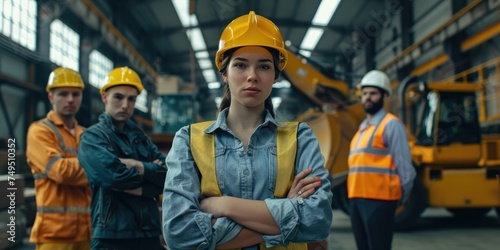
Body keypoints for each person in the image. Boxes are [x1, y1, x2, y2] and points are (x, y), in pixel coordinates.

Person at [162, 11, 333, 249]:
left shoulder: (300, 137)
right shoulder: (189, 139)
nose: (252, 76)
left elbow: (317, 220)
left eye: (264, 66)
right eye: (240, 65)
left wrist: (224, 206)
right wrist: (288, 211)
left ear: (275, 76)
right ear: (224, 73)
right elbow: (179, 234)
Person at [78, 66, 167, 250]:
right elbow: (111, 177)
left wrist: (136, 165)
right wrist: (150, 181)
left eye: (131, 99)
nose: (125, 105)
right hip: (112, 236)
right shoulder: (93, 138)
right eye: (118, 97)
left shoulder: (142, 138)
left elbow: (169, 177)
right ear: (104, 97)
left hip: (149, 232)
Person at [347, 70, 417, 250]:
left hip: (380, 201)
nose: (367, 98)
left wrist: (399, 199)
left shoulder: (391, 124)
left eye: (373, 93)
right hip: (356, 199)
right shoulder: (362, 129)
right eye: (364, 93)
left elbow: (406, 169)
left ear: (385, 96)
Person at [26, 67, 91, 250]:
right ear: (51, 97)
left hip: (89, 232)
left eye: (75, 94)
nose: (70, 99)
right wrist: (97, 167)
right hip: (55, 235)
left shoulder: (87, 135)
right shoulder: (39, 131)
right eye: (63, 94)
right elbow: (62, 172)